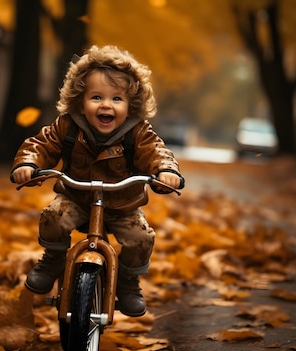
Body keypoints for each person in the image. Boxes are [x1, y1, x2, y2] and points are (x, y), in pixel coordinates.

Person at [10, 45, 184, 317]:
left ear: (131, 105)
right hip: (76, 197)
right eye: (96, 97)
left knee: (140, 237)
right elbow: (42, 145)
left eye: (117, 99)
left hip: (121, 204)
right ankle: (53, 261)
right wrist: (29, 164)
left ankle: (127, 281)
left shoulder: (138, 132)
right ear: (80, 101)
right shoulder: (67, 126)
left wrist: (166, 170)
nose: (106, 105)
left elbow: (156, 152)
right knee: (53, 216)